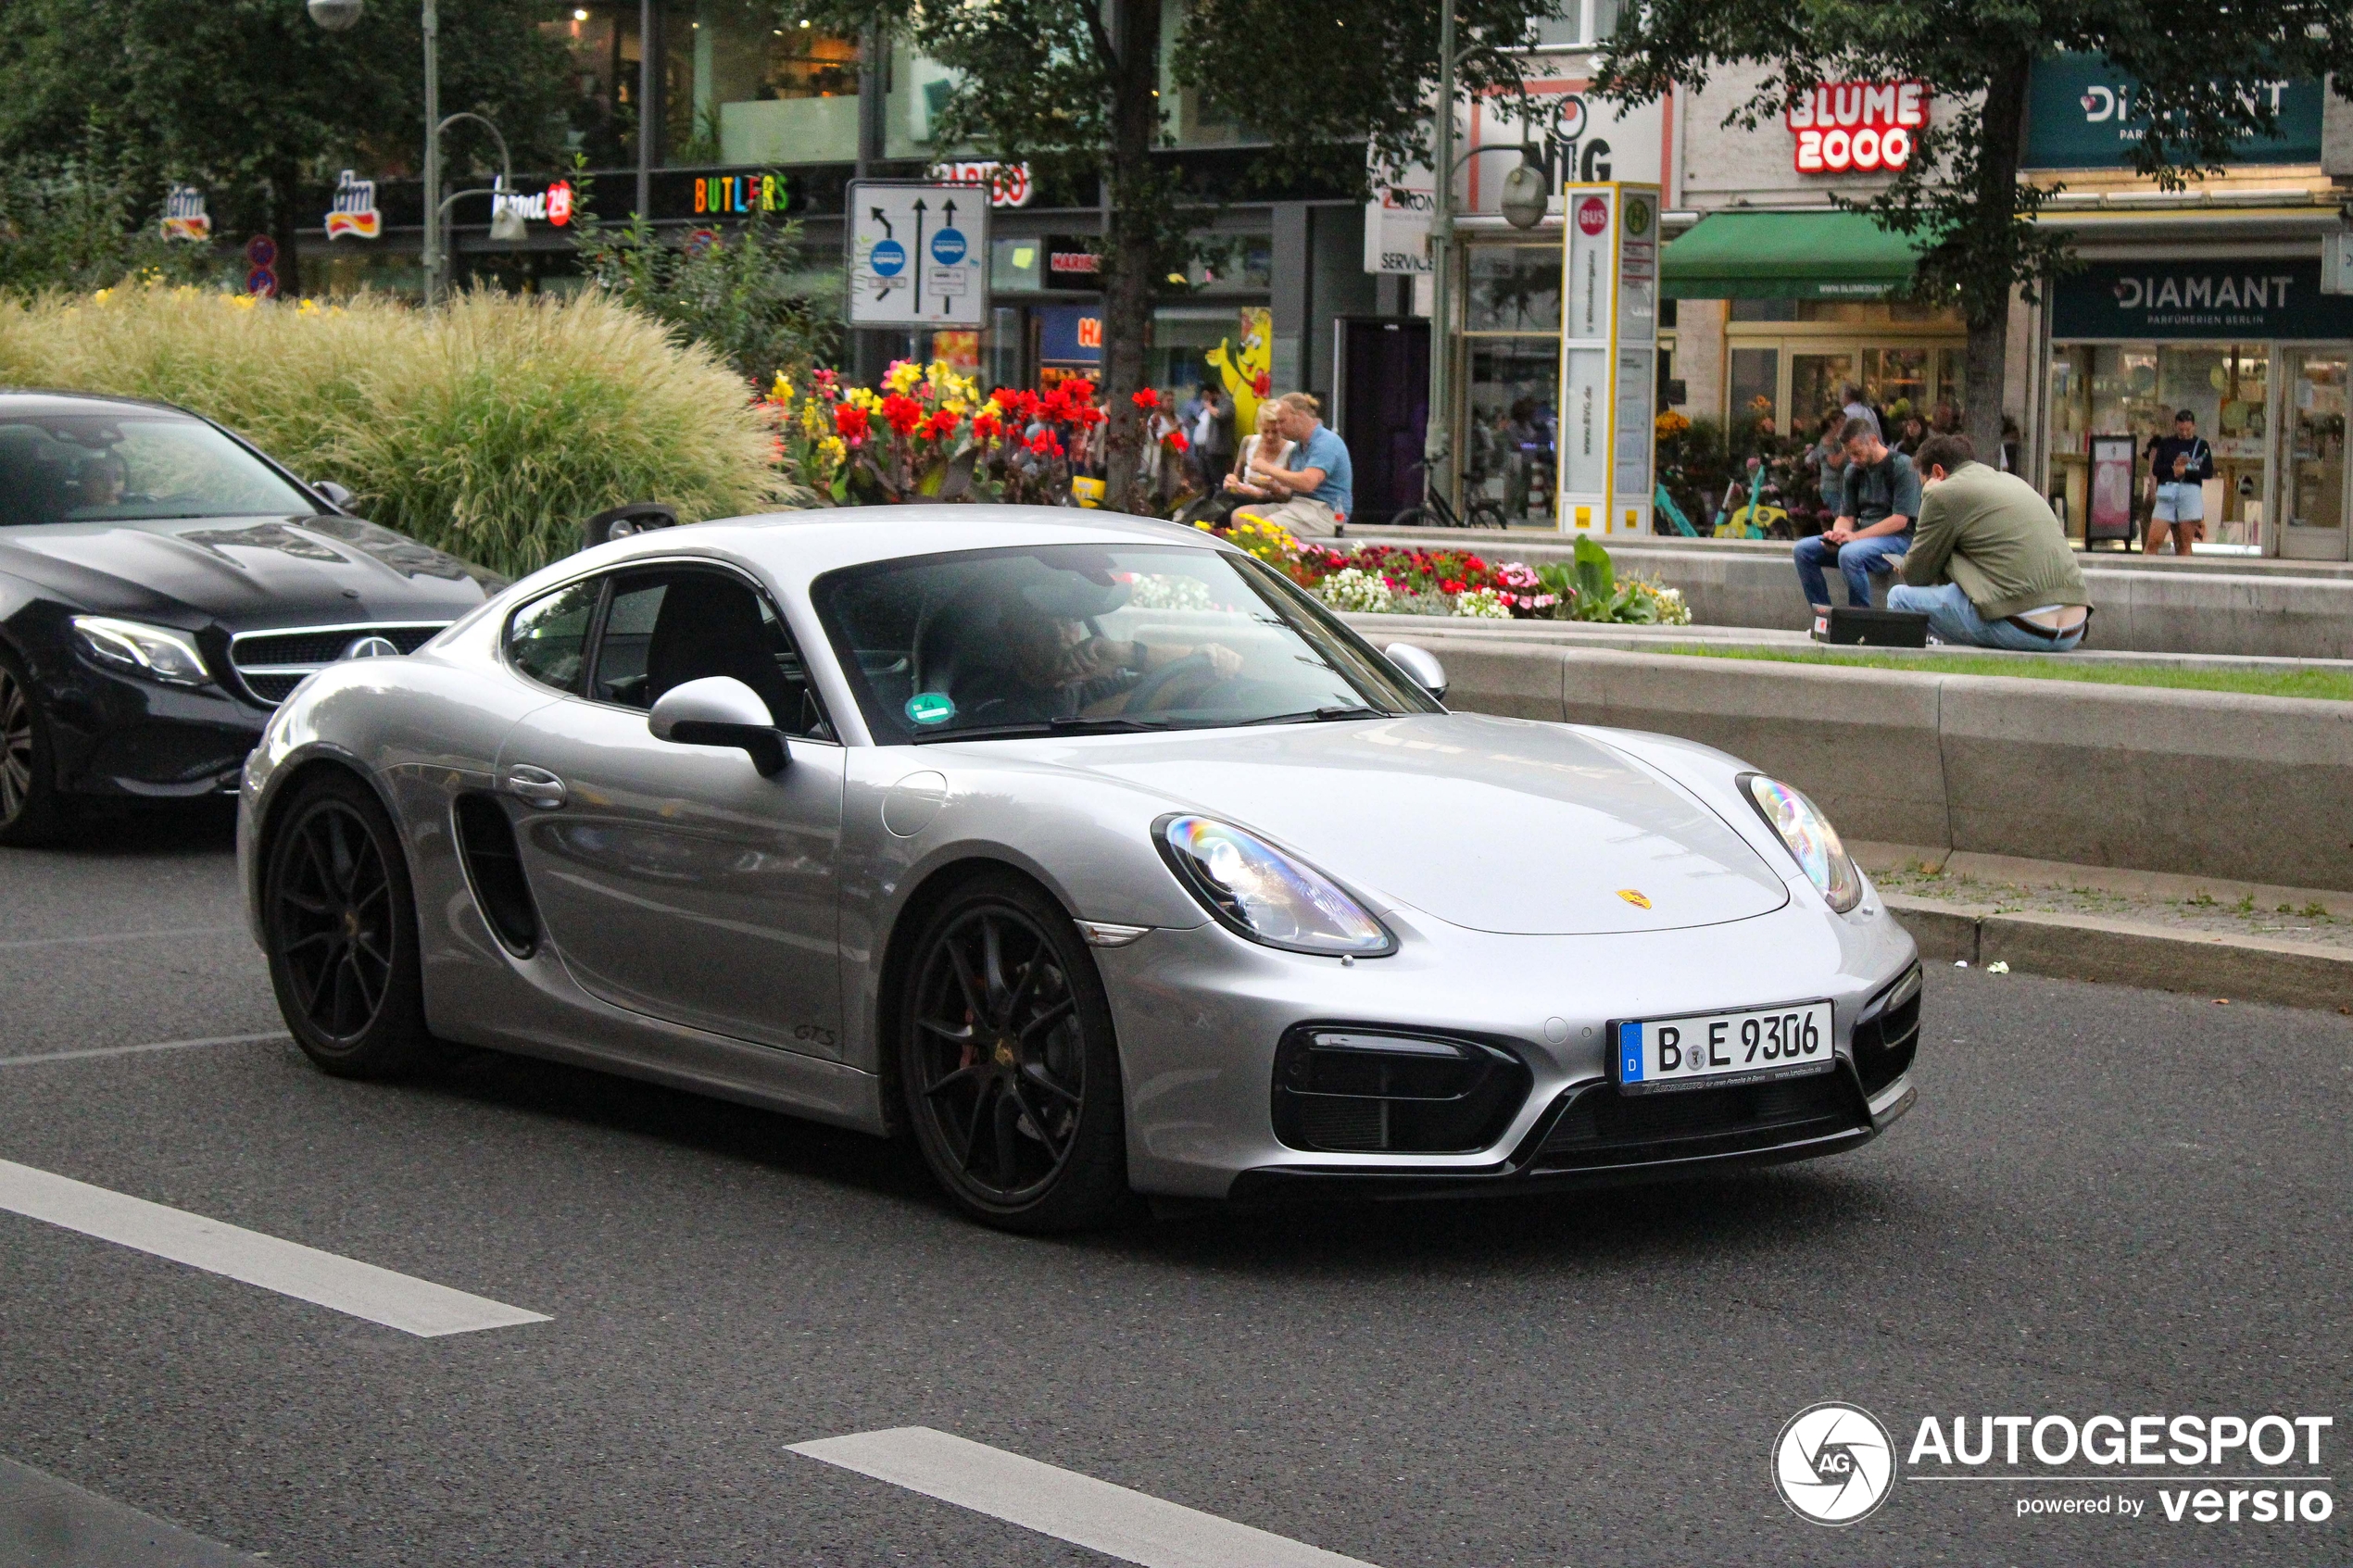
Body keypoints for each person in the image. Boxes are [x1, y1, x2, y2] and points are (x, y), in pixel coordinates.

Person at [1890, 433, 2090, 651]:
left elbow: (1915, 575)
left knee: (1899, 598)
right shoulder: (2013, 481)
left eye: (1923, 483)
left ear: (1938, 472)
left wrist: (1926, 497)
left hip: (2023, 628)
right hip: (2074, 628)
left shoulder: (1941, 493)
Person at [1792, 416, 1920, 613]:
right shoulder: (1853, 471)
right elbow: (1847, 516)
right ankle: (1824, 618)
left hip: (1898, 540)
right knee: (1803, 550)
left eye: (1857, 453)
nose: (1853, 460)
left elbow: (1900, 520)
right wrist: (1837, 535)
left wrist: (1855, 537)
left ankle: (1859, 621)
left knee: (1850, 554)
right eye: (1849, 454)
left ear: (1873, 441)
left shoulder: (1902, 466)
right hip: (1864, 540)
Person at [1234, 391, 1353, 537]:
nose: (1278, 427)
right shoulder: (1298, 448)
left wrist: (1267, 468)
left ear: (1300, 416)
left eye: (1282, 421)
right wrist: (1274, 488)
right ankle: (1253, 558)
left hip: (1326, 512)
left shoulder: (1326, 442)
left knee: (1268, 528)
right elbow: (1291, 492)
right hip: (1298, 505)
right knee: (1240, 517)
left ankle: (1279, 560)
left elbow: (1308, 483)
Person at [2144, 408, 2213, 558]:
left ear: (2193, 426)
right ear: (2176, 426)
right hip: (2168, 491)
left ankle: (2184, 575)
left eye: (2188, 429)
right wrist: (2173, 468)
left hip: (2189, 490)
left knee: (2183, 542)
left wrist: (2186, 471)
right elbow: (2156, 469)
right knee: (2153, 540)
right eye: (2181, 429)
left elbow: (2208, 472)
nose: (2184, 433)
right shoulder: (2166, 444)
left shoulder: (2201, 445)